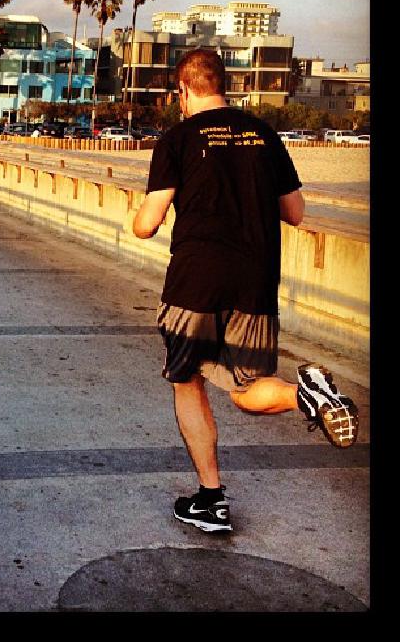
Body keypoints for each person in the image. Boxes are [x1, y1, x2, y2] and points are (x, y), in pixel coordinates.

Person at [133, 48, 358, 534]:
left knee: (187, 382)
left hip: (195, 283)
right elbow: (295, 212)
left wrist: (144, 216)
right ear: (223, 85)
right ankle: (306, 397)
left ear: (183, 90)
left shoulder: (177, 138)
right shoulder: (264, 134)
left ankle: (211, 500)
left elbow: (147, 223)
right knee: (246, 388)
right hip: (255, 283)